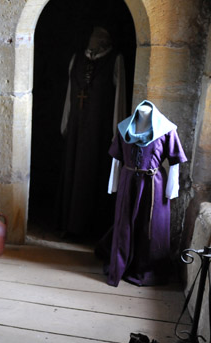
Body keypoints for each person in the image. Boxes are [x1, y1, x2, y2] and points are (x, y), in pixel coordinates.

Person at [106, 100, 187, 286]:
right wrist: (114, 185)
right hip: (128, 181)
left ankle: (146, 269)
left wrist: (171, 190)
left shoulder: (166, 129)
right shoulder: (124, 127)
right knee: (124, 224)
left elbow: (175, 162)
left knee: (150, 226)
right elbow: (116, 159)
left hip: (154, 184)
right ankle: (120, 265)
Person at [57, 26, 127, 237]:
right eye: (92, 36)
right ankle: (69, 225)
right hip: (77, 127)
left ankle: (89, 229)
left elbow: (119, 96)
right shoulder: (77, 58)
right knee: (73, 169)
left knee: (93, 173)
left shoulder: (115, 60)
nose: (94, 40)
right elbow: (70, 92)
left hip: (99, 128)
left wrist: (118, 131)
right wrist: (66, 122)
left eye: (99, 38)